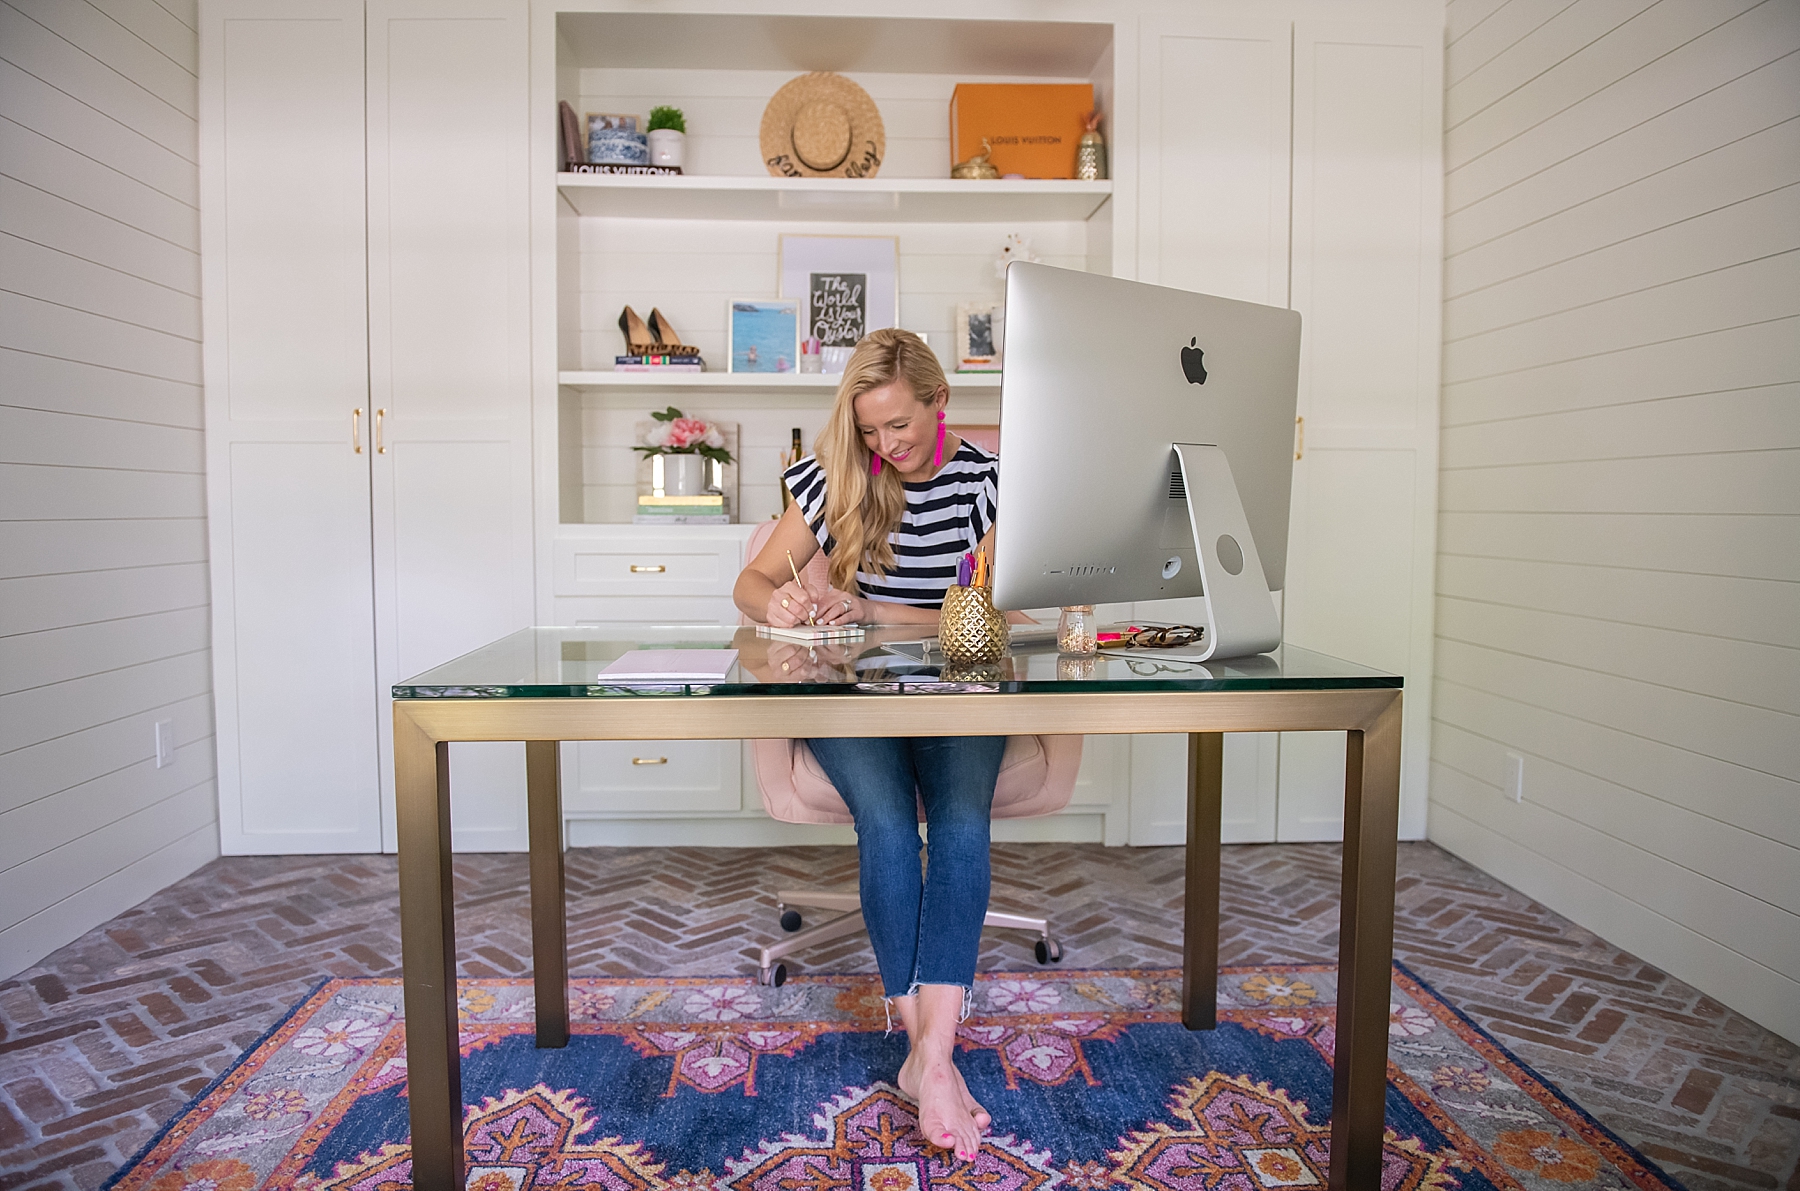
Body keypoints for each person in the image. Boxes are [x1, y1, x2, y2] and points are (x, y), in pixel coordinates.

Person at [732, 328, 1002, 1160]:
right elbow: (751, 582)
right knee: (886, 819)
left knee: (959, 820)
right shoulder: (837, 480)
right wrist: (775, 605)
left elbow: (1001, 617)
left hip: (960, 691)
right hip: (852, 694)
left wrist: (879, 614)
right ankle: (933, 1057)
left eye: (900, 426)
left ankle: (932, 1055)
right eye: (870, 430)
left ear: (937, 402)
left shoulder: (987, 484)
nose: (886, 445)